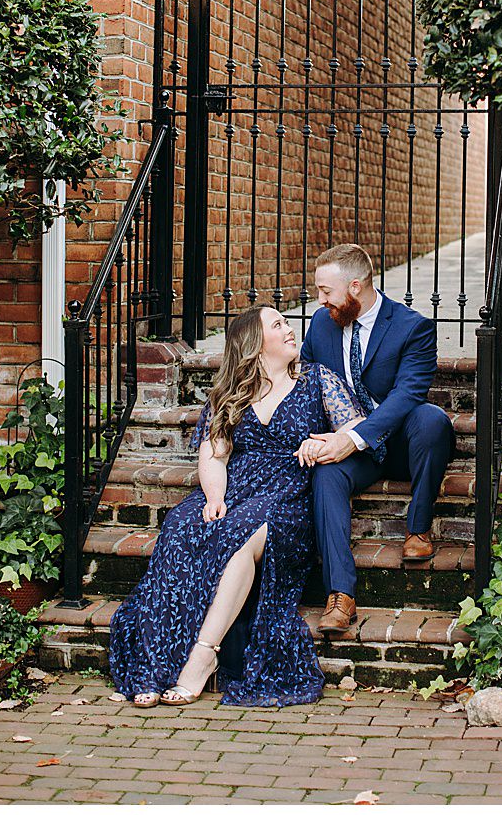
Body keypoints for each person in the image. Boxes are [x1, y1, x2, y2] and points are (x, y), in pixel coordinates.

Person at [108, 305, 363, 708]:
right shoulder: (231, 394)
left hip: (287, 497)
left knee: (243, 536)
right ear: (255, 345)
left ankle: (203, 656)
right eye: (278, 325)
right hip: (234, 490)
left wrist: (325, 442)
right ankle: (157, 663)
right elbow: (213, 455)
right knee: (181, 524)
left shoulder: (318, 380)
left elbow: (355, 426)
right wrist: (213, 497)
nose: (290, 330)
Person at [299, 243, 456, 635]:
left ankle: (418, 529)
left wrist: (354, 437)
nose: (320, 300)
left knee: (431, 419)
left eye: (326, 291)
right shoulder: (322, 324)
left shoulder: (412, 327)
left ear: (355, 287)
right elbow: (301, 380)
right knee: (326, 474)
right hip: (352, 447)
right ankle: (340, 595)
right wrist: (312, 438)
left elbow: (408, 394)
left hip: (399, 441)